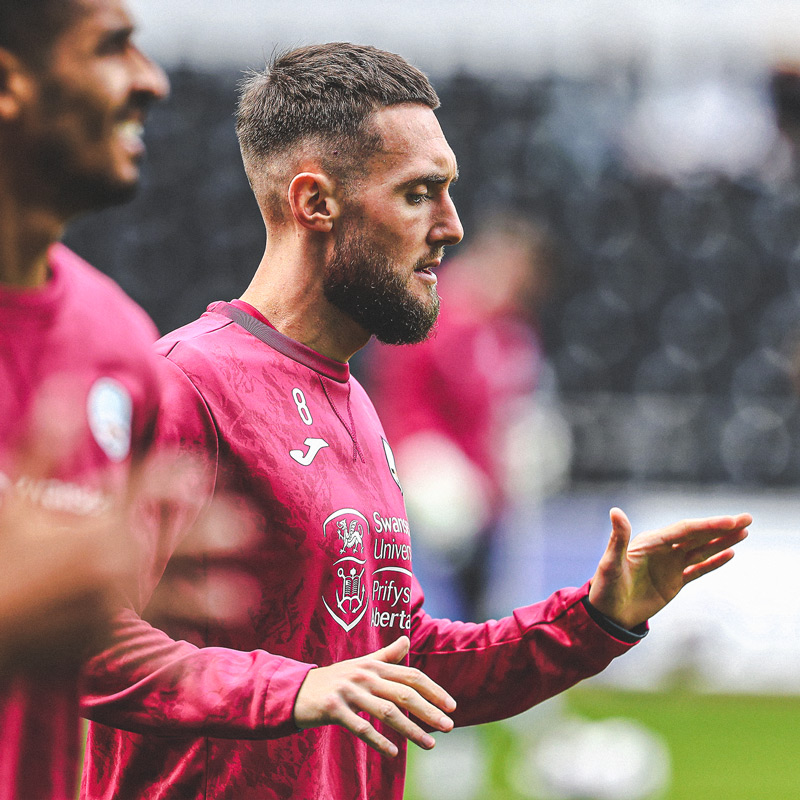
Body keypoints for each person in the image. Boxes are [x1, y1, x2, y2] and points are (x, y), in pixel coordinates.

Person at [81, 43, 751, 800]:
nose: (452, 227)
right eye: (419, 193)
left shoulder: (354, 402)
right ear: (315, 203)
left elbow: (402, 666)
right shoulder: (187, 385)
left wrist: (596, 619)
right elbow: (85, 641)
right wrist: (294, 691)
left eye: (450, 192)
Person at [0, 0, 169, 796]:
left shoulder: (122, 343)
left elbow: (110, 645)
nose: (152, 81)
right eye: (112, 47)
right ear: (9, 83)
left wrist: (296, 685)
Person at [366, 214, 557, 621]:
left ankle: (485, 638)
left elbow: (505, 406)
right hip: (426, 456)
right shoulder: (434, 307)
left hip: (483, 472)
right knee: (448, 517)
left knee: (487, 572)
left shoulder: (510, 326)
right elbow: (402, 392)